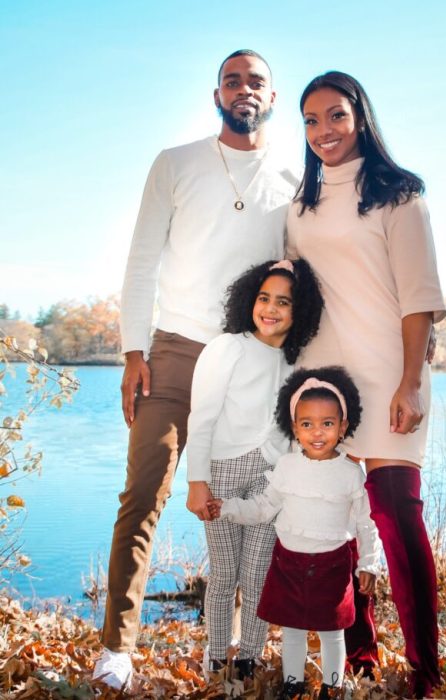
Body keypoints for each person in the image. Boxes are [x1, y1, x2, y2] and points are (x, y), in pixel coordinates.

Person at [92, 50, 298, 690]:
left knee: (255, 509)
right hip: (176, 352)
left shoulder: (294, 177)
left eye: (255, 80)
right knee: (144, 494)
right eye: (233, 80)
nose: (244, 89)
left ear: (271, 94)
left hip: (250, 362)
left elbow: (302, 276)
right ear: (217, 94)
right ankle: (117, 651)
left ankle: (244, 648)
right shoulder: (176, 163)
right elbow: (141, 261)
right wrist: (133, 353)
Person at [286, 71, 446, 698]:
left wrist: (411, 383)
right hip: (324, 382)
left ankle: (426, 671)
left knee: (397, 518)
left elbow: (419, 302)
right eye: (310, 120)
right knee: (332, 524)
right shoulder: (298, 207)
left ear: (360, 118)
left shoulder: (401, 197)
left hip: (388, 375)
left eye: (335, 116)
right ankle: (360, 656)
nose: (323, 130)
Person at [208, 366, 382, 700]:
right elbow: (263, 506)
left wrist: (369, 564)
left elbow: (366, 521)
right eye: (307, 424)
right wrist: (228, 506)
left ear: (343, 426)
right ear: (294, 428)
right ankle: (293, 685)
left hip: (333, 564)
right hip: (289, 563)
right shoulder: (286, 467)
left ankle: (333, 686)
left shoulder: (349, 473)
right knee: (293, 632)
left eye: (327, 424)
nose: (317, 433)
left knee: (333, 632)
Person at [186, 258, 323, 680]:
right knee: (225, 574)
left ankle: (248, 657)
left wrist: (285, 479)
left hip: (269, 478)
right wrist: (196, 483)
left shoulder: (295, 362)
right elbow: (201, 418)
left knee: (258, 573)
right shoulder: (227, 348)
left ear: (299, 311)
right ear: (251, 299)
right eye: (264, 298)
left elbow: (290, 428)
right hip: (222, 469)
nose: (271, 308)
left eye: (283, 302)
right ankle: (215, 656)